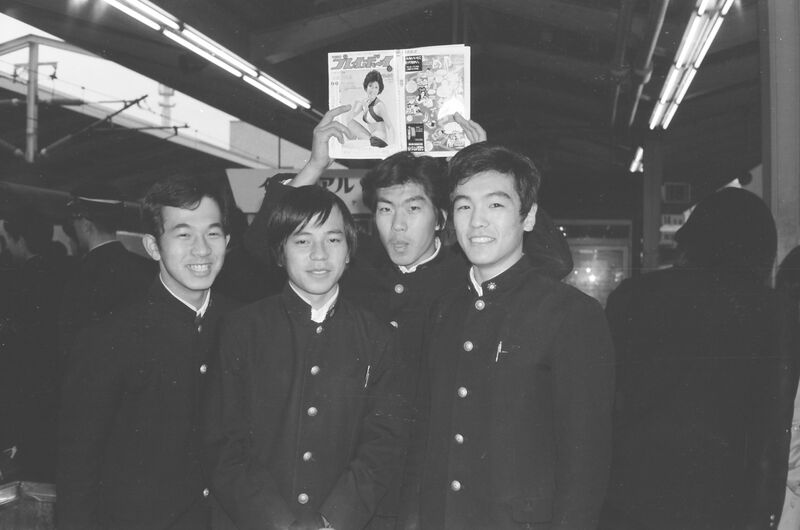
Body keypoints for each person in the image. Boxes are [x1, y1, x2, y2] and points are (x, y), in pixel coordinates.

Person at [401, 143, 615, 530]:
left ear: (528, 217)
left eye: (495, 205)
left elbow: (586, 462)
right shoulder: (444, 310)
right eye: (464, 206)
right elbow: (425, 437)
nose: (477, 222)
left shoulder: (569, 313)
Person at [209, 185, 411, 530]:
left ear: (349, 251)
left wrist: (334, 519)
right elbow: (224, 443)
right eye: (302, 241)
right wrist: (277, 522)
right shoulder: (241, 330)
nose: (320, 255)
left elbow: (384, 444)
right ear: (280, 252)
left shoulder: (378, 337)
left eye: (333, 240)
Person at [602, 187, 793, 530]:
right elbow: (772, 431)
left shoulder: (633, 297)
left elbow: (603, 402)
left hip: (631, 496)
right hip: (727, 502)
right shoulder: (772, 313)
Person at [57, 173, 238, 530]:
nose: (202, 249)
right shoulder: (109, 339)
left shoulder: (245, 326)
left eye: (212, 234)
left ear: (227, 242)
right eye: (183, 234)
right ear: (153, 247)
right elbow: (77, 467)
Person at [0, 210, 67, 482]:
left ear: (20, 241)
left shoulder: (14, 283)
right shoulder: (63, 278)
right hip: (53, 392)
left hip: (19, 393)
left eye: (7, 240)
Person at [58, 184, 155, 356]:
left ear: (86, 225)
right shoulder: (147, 267)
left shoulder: (78, 276)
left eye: (75, 222)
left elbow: (72, 342)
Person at [346, 70, 393, 148]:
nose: (373, 90)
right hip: (371, 138)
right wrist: (355, 103)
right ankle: (358, 140)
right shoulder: (364, 103)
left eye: (376, 87)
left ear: (379, 90)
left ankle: (359, 141)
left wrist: (391, 147)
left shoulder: (379, 105)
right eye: (370, 86)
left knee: (351, 145)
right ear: (366, 87)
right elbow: (348, 119)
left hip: (380, 141)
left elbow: (390, 126)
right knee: (350, 123)